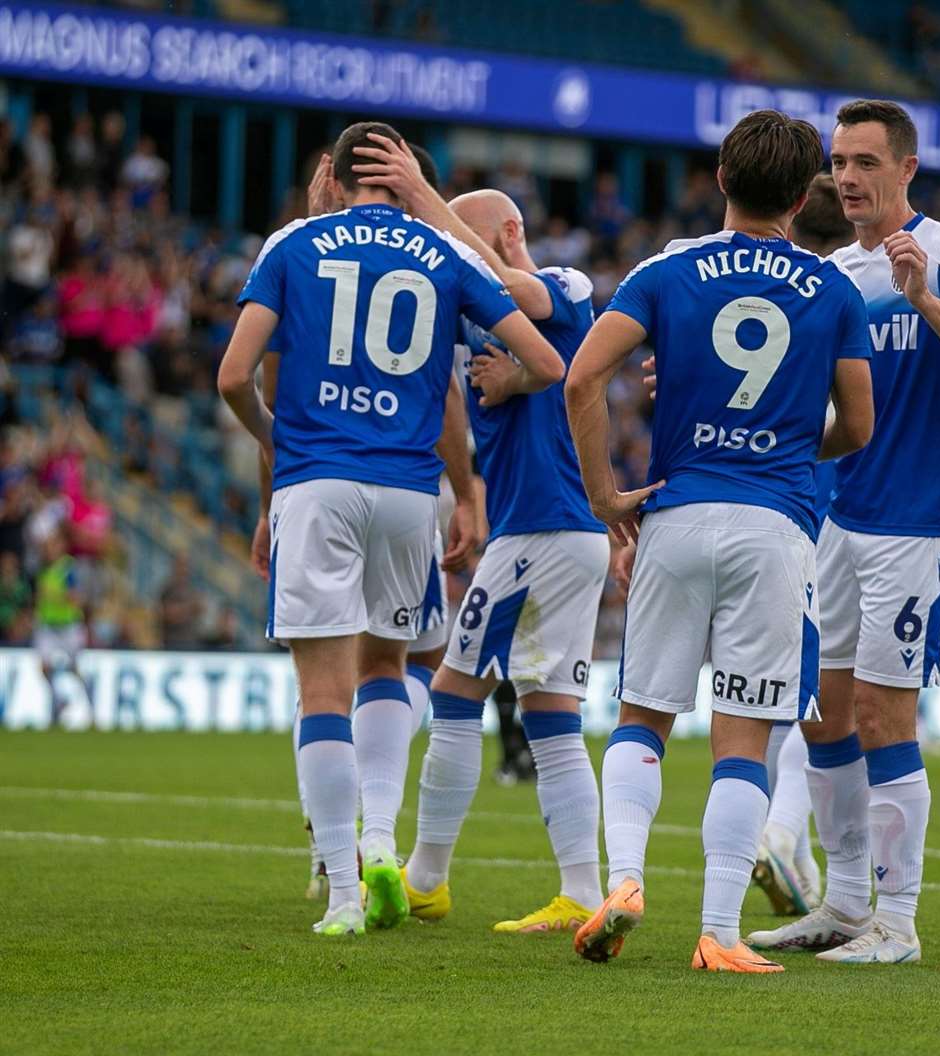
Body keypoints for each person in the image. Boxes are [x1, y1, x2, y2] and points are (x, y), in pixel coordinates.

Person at [217, 119, 564, 937]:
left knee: (322, 693)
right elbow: (548, 363)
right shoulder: (445, 256)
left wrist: (277, 439)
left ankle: (342, 889)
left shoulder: (293, 245)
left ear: (332, 179)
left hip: (318, 484)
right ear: (406, 177)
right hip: (410, 495)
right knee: (387, 670)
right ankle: (382, 840)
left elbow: (234, 375)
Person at [565, 108, 875, 973]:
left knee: (642, 719)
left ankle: (623, 882)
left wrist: (602, 493)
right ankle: (718, 933)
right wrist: (778, 439)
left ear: (722, 179)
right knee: (743, 741)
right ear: (805, 191)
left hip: (674, 511)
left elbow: (585, 376)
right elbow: (857, 424)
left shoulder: (670, 269)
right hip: (774, 526)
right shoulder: (834, 291)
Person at [747, 99, 940, 966]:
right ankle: (846, 901)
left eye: (866, 162)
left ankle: (897, 923)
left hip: (919, 523)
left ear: (906, 169)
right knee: (823, 713)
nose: (849, 179)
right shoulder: (831, 276)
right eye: (839, 163)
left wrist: (925, 298)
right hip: (842, 516)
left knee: (881, 715)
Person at [352, 135, 618, 936]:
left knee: (457, 691)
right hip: (553, 532)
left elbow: (519, 298)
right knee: (551, 714)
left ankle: (428, 875)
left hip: (542, 530)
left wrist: (424, 200)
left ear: (505, 235)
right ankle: (580, 888)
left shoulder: (564, 282)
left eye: (460, 239)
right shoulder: (479, 322)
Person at [751, 172, 852, 917]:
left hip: (745, 499)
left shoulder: (753, 286)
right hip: (828, 506)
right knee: (827, 695)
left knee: (763, 692)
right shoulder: (843, 293)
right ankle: (785, 832)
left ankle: (785, 835)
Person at [33, 527, 88, 727]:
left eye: (53, 545)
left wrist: (57, 597)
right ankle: (59, 702)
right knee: (44, 667)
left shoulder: (68, 569)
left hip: (68, 625)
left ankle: (91, 709)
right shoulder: (42, 568)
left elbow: (76, 598)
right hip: (48, 625)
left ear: (61, 547)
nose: (49, 549)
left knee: (75, 669)